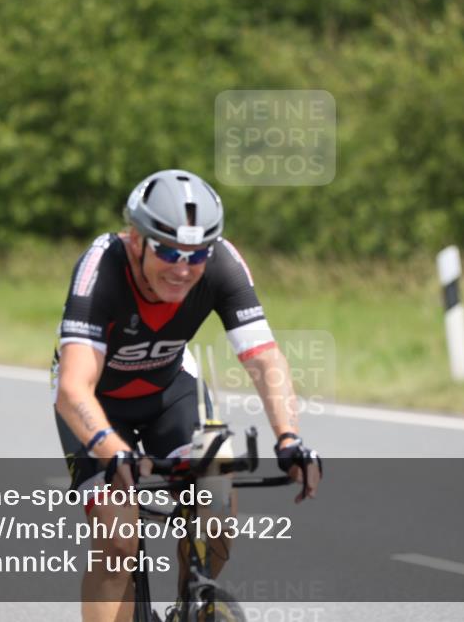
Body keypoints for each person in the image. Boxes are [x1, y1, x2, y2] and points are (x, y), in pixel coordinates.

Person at [51, 169, 322, 622]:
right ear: (137, 239)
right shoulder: (101, 267)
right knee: (118, 538)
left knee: (216, 513)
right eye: (169, 250)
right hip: (98, 405)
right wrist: (114, 451)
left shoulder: (222, 263)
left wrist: (289, 439)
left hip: (171, 391)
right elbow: (73, 387)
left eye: (196, 255)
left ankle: (189, 609)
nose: (182, 268)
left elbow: (264, 359)